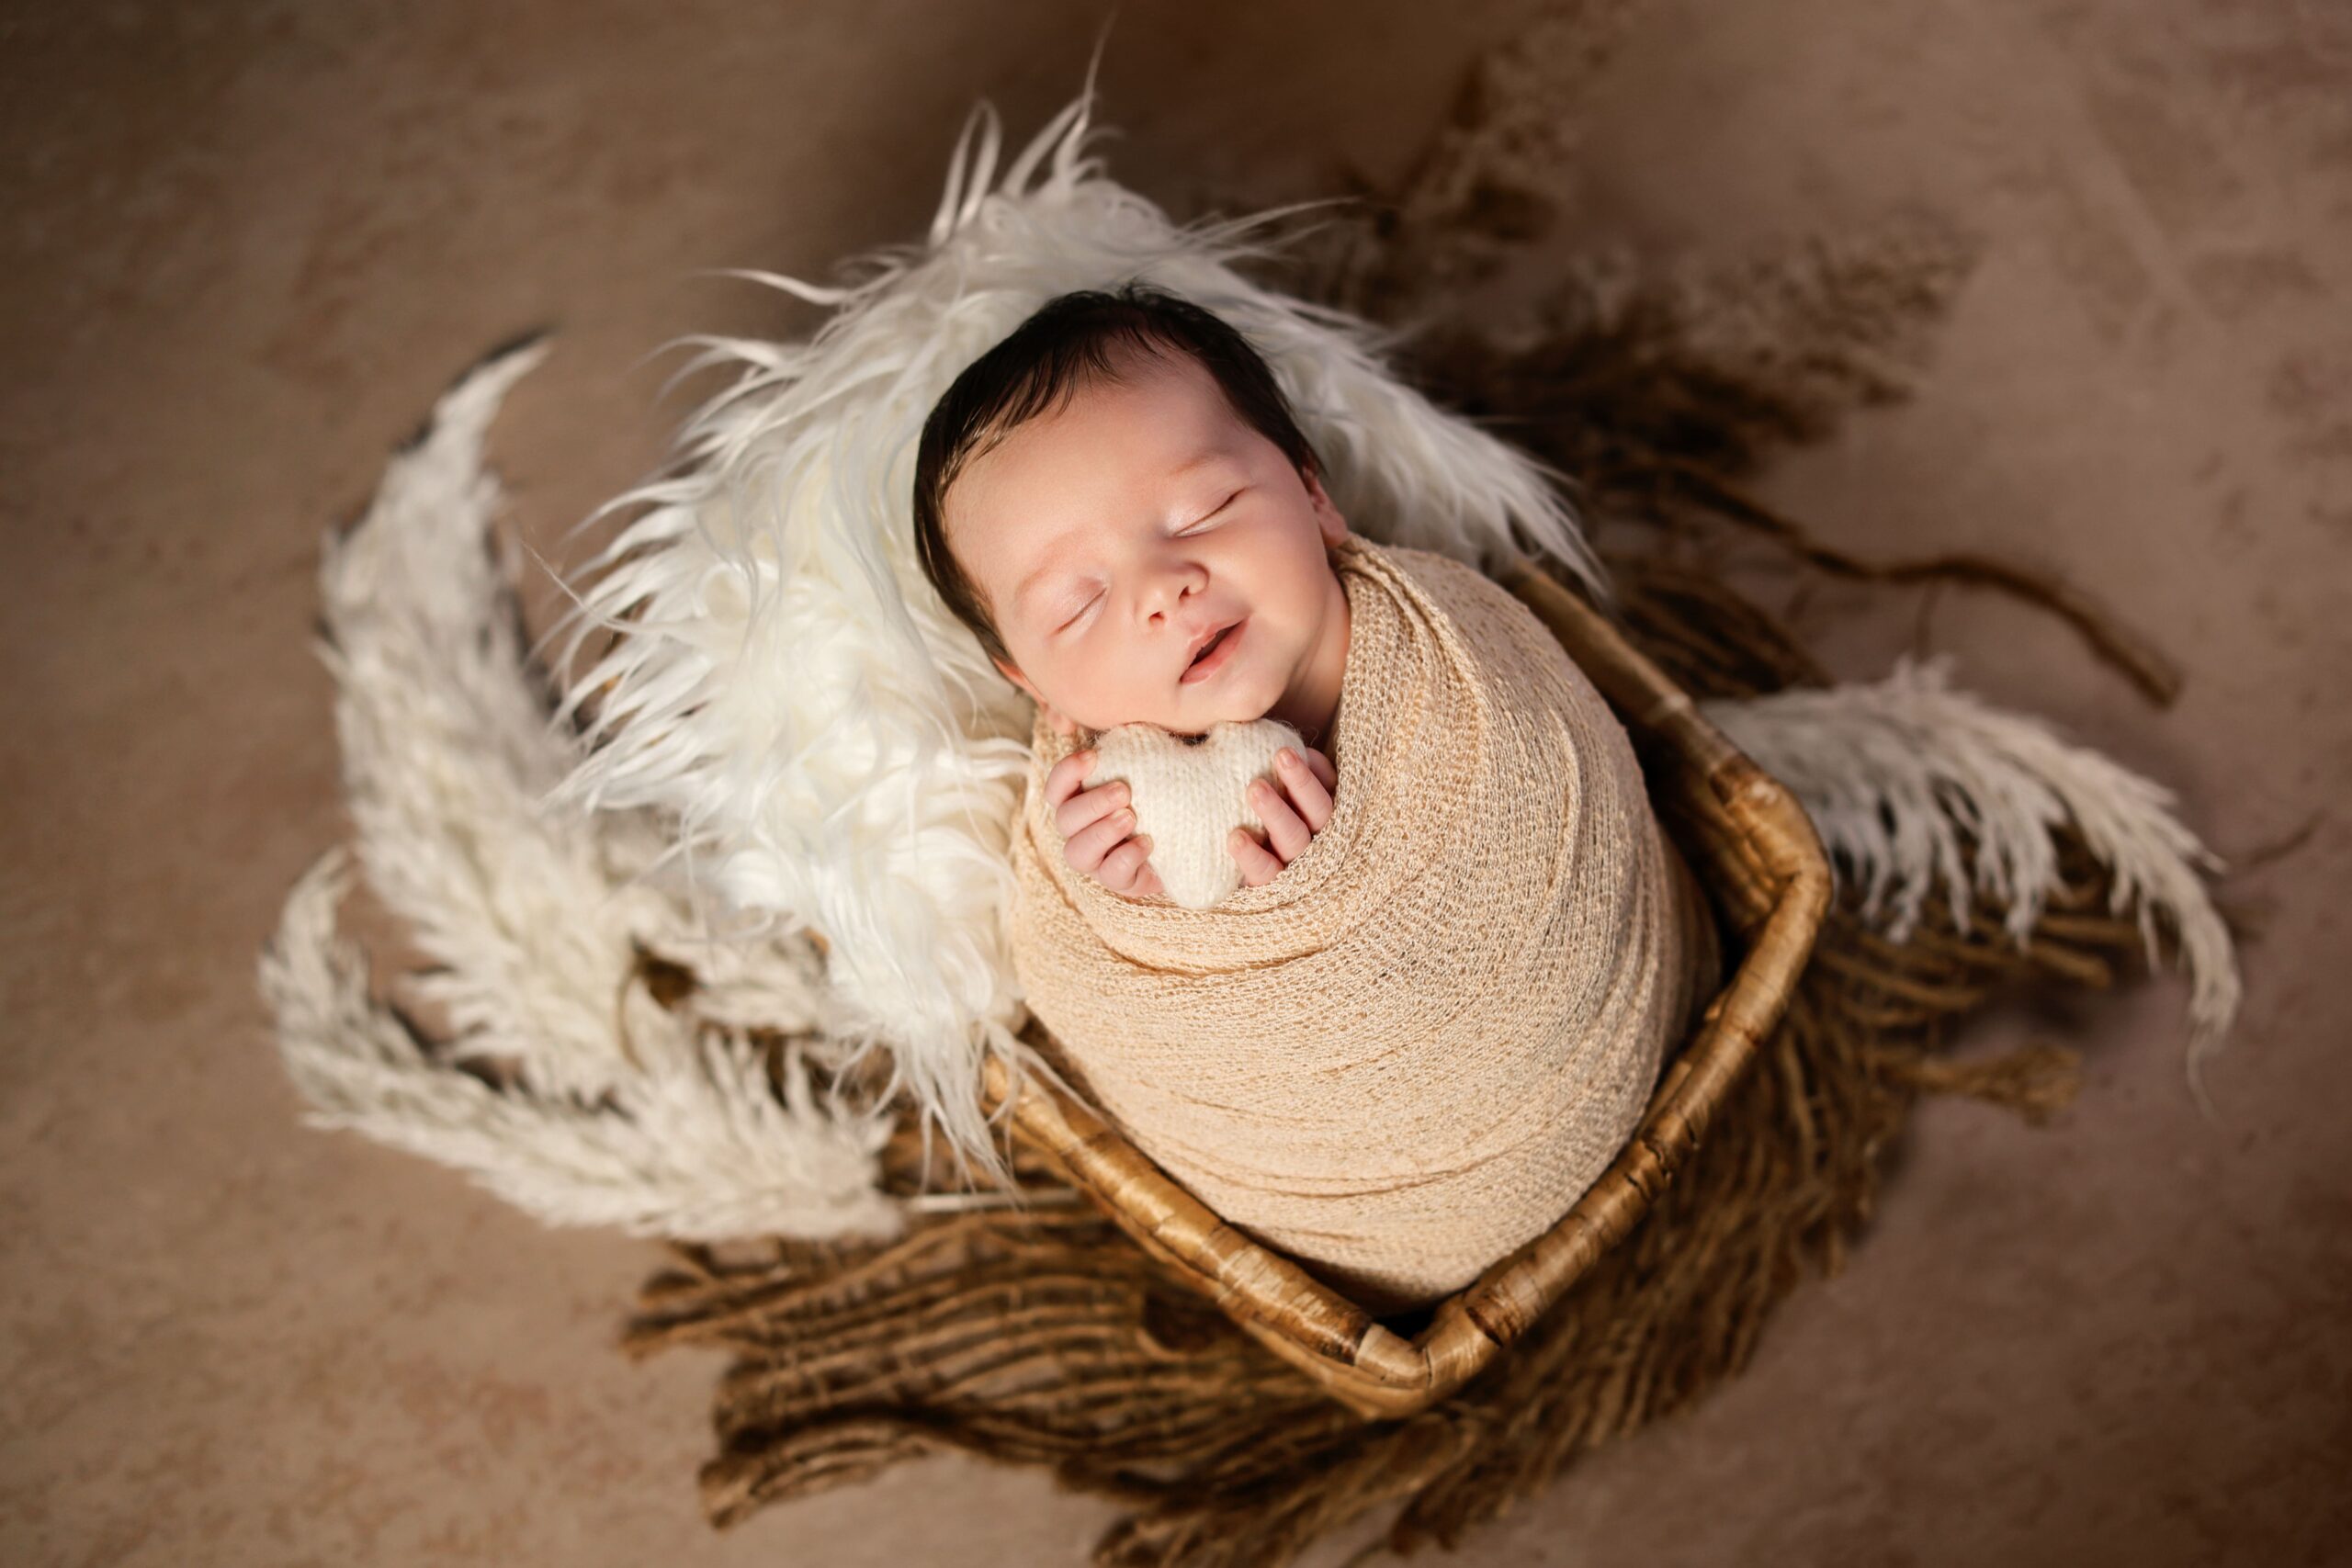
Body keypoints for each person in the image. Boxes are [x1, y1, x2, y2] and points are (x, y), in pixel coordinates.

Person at [912, 284, 1347, 900]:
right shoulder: (1093, 820)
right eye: (1079, 602)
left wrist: (1352, 864)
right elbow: (1071, 980)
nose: (1162, 592)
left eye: (1206, 510)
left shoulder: (1447, 675)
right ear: (1037, 688)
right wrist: (1155, 905)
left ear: (1313, 493)